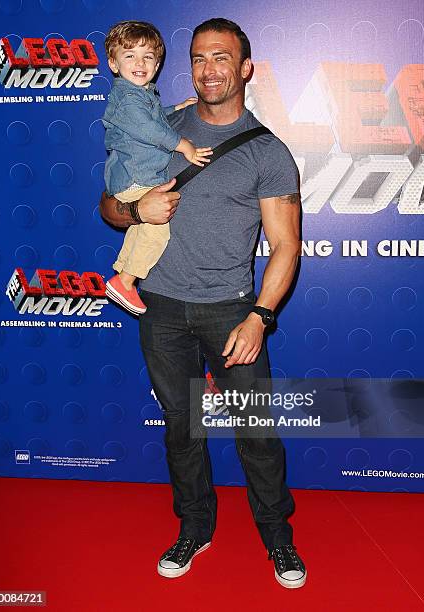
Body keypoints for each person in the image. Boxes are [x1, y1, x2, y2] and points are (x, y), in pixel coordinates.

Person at [100, 18, 306, 589]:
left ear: (245, 69)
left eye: (221, 58)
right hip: (160, 309)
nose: (208, 69)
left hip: (230, 311)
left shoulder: (268, 151)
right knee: (182, 429)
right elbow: (109, 205)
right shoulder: (159, 126)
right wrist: (135, 214)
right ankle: (194, 527)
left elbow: (287, 246)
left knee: (256, 433)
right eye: (198, 58)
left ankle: (278, 539)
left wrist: (260, 317)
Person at [102, 21, 212, 314]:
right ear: (113, 63)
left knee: (142, 228)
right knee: (157, 230)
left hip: (139, 176)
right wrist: (184, 145)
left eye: (148, 57)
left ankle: (121, 275)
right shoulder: (126, 98)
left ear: (157, 63)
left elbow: (152, 117)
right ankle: (126, 281)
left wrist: (175, 109)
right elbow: (149, 130)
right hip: (134, 177)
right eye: (129, 56)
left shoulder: (141, 95)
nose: (140, 63)